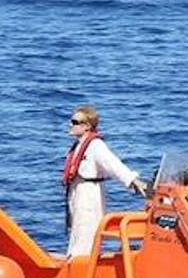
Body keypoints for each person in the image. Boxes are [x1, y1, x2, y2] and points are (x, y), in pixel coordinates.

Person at [62, 105, 147, 257]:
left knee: (86, 233)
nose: (70, 124)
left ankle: (81, 267)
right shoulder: (78, 146)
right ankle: (72, 261)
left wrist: (133, 181)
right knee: (77, 232)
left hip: (89, 195)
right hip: (77, 193)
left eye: (75, 122)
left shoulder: (96, 146)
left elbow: (113, 165)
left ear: (87, 126)